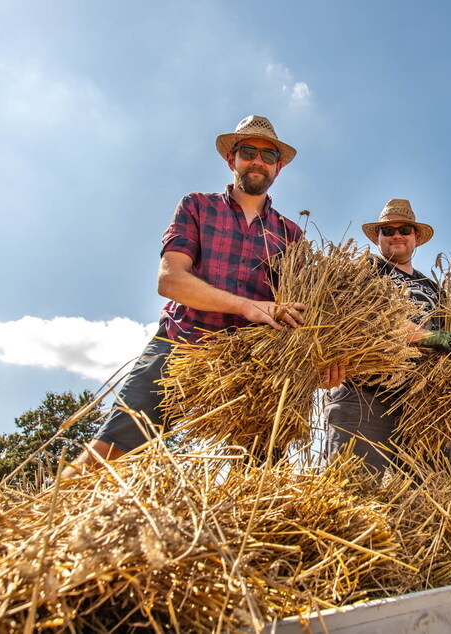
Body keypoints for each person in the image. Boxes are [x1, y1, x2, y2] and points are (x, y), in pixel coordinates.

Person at [65, 115, 344, 475]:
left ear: (279, 168)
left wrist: (317, 362)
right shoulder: (197, 206)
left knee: (259, 478)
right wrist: (247, 305)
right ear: (232, 159)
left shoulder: (291, 234)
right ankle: (45, 521)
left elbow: (299, 313)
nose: (257, 160)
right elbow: (171, 281)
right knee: (107, 456)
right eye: (248, 151)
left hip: (255, 364)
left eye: (268, 155)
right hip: (182, 343)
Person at [323, 198, 451, 478]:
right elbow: (367, 315)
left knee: (435, 497)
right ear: (377, 238)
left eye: (405, 229)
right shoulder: (364, 269)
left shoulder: (432, 287)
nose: (396, 235)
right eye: (387, 231)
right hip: (364, 397)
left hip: (421, 402)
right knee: (353, 490)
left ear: (416, 237)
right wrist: (429, 337)